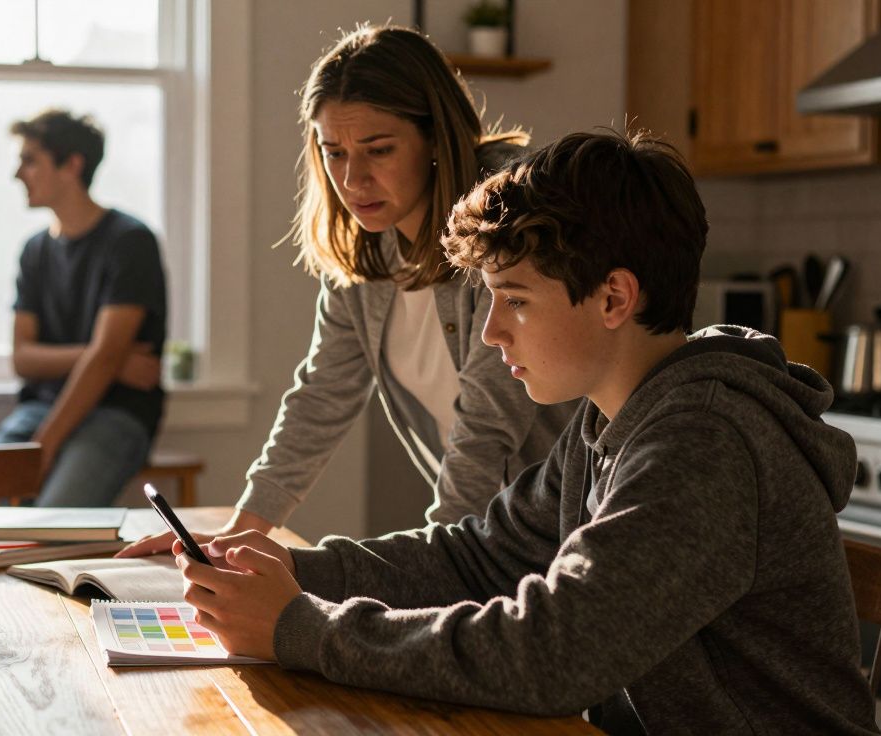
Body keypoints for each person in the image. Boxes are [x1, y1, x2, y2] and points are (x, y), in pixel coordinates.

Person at [173, 131, 879, 734]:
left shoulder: (706, 445)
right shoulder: (611, 420)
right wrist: (294, 573)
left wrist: (301, 628)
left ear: (613, 297)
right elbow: (476, 559)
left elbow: (552, 652)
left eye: (514, 299)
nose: (490, 330)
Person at [121, 25, 574, 556]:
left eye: (378, 150)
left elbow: (486, 425)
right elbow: (321, 396)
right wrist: (239, 534)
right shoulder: (369, 250)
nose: (353, 179)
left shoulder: (504, 221)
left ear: (434, 136)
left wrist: (435, 565)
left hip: (569, 525)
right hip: (489, 533)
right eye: (334, 152)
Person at [0, 109, 167, 507]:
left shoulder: (130, 242)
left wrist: (45, 445)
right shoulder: (35, 251)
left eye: (30, 160)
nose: (18, 174)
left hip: (115, 416)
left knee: (52, 521)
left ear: (72, 165)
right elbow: (23, 358)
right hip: (39, 410)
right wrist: (108, 358)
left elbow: (103, 362)